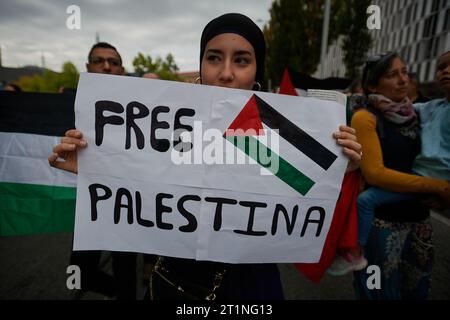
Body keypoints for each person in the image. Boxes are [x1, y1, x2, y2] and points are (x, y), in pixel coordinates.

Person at [49, 13, 362, 300]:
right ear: (201, 66)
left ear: (257, 71)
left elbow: (304, 207)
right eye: (214, 58)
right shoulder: (163, 126)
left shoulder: (266, 137)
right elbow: (139, 187)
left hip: (249, 289)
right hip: (175, 284)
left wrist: (338, 170)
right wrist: (94, 165)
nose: (225, 73)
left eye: (241, 60)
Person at [328, 52, 450, 277]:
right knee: (382, 288)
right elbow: (375, 174)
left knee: (415, 287)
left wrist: (441, 195)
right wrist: (438, 186)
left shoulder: (416, 113)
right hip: (383, 225)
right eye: (392, 75)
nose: (403, 80)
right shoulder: (367, 116)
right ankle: (355, 251)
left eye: (404, 72)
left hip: (418, 223)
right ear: (373, 86)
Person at [68, 42, 137, 300]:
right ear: (88, 68)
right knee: (80, 273)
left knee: (126, 272)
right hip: (92, 203)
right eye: (99, 61)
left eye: (114, 62)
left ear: (121, 70)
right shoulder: (73, 105)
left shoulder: (143, 105)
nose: (106, 66)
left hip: (131, 204)